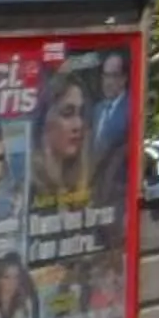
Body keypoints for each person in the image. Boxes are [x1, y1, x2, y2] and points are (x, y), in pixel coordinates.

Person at [31, 68, 99, 211]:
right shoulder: (28, 189)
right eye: (67, 113)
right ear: (45, 120)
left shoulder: (89, 183)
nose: (78, 125)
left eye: (81, 114)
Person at [89, 49, 134, 181]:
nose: (108, 82)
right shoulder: (97, 109)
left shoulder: (131, 107)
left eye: (113, 76)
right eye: (105, 76)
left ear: (123, 79)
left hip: (119, 184)